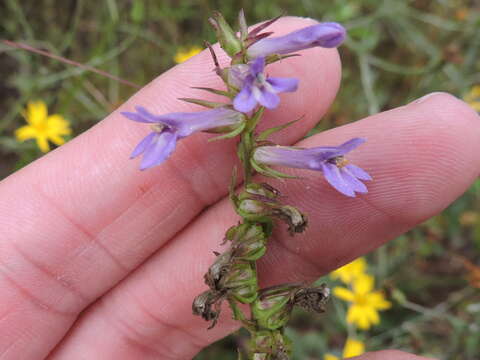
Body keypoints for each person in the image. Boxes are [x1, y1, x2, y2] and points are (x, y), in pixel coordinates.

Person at [1, 17, 478, 360]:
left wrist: (312, 151)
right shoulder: (231, 113)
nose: (254, 81)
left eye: (257, 76)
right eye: (251, 77)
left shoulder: (258, 103)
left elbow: (261, 110)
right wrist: (180, 125)